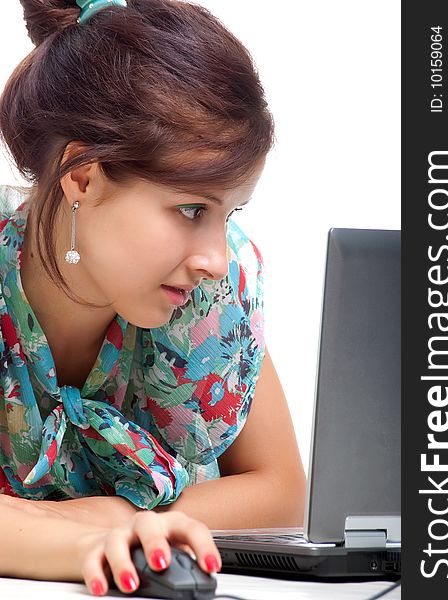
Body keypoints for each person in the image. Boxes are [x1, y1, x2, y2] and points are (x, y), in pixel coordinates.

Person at [0, 0, 306, 596]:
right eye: (192, 209)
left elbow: (282, 489)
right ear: (82, 176)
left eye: (228, 213)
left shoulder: (211, 294)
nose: (215, 257)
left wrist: (136, 522)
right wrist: (91, 536)